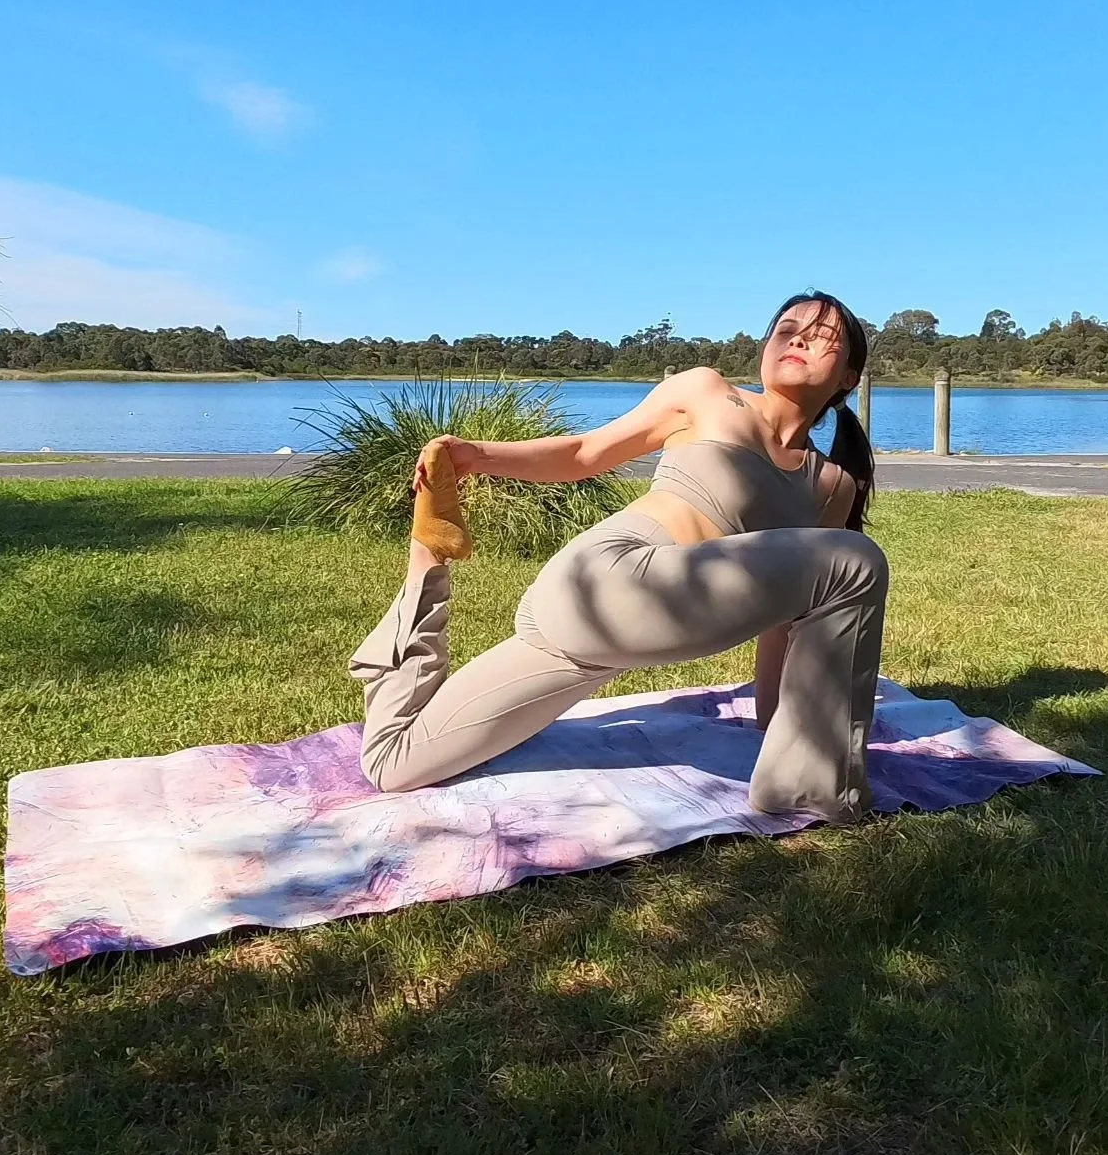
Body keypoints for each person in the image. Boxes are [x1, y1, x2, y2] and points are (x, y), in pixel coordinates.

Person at [347, 290, 888, 821]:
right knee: (856, 560)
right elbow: (585, 453)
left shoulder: (831, 485)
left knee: (394, 764)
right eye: (786, 331)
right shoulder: (706, 392)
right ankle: (426, 560)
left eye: (821, 336)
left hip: (618, 635)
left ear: (848, 377)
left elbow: (790, 621)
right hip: (605, 575)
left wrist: (774, 725)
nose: (798, 341)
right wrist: (477, 454)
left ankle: (801, 781)